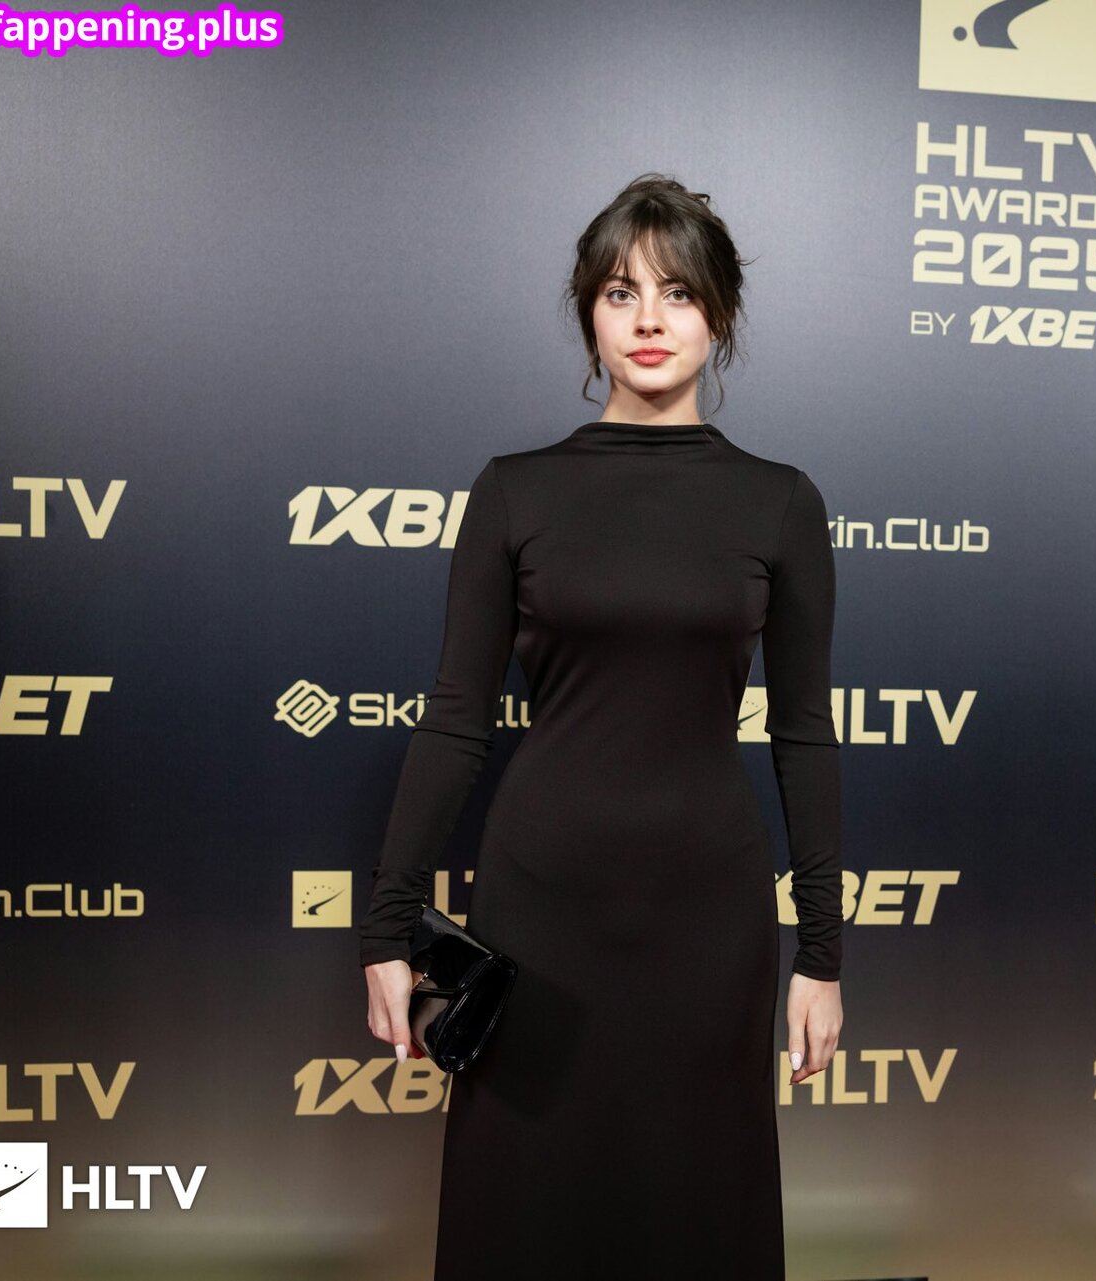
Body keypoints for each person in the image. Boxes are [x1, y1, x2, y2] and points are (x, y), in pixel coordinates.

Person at [357, 172, 845, 1277]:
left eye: (678, 292)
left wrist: (823, 954)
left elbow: (805, 736)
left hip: (708, 916)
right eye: (621, 292)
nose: (649, 320)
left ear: (719, 313)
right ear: (589, 314)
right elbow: (454, 721)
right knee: (526, 1213)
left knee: (696, 1212)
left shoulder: (780, 502)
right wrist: (386, 931)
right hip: (541, 910)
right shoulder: (514, 492)